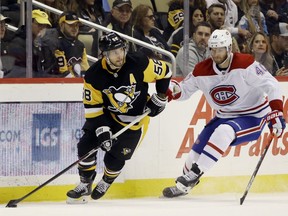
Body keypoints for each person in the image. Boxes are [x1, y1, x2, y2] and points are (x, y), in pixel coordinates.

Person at [162, 29, 286, 198]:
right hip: (224, 116)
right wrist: (172, 91)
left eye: (219, 49)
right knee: (194, 155)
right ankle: (184, 185)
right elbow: (183, 90)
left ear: (228, 49)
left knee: (224, 131)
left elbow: (271, 84)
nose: (215, 53)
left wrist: (277, 112)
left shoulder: (246, 63)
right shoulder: (202, 70)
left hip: (253, 116)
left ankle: (194, 174)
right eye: (212, 49)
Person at [66, 32, 171, 203]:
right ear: (104, 55)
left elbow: (166, 72)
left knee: (115, 158)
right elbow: (93, 108)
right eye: (114, 52)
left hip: (135, 121)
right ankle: (85, 182)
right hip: (108, 116)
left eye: (121, 50)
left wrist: (160, 97)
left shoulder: (138, 62)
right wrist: (103, 131)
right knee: (86, 145)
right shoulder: (94, 74)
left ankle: (107, 180)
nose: (119, 56)